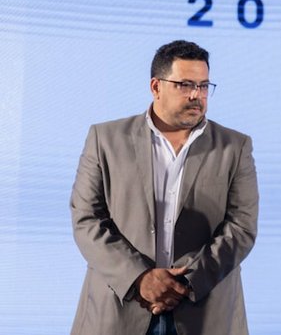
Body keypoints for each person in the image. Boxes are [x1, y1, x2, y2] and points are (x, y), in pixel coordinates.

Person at [70, 40, 259, 335]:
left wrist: (185, 282)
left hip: (205, 313)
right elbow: (87, 220)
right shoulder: (105, 139)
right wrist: (140, 279)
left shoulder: (235, 146)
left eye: (204, 86)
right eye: (185, 85)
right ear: (156, 87)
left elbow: (242, 227)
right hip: (118, 311)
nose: (196, 95)